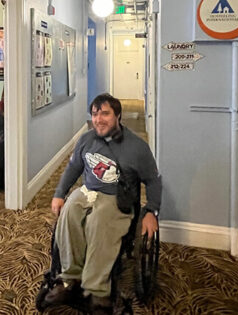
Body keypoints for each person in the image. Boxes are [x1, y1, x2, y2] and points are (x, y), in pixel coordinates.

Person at [45, 93, 162, 314]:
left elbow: (153, 180)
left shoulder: (137, 147)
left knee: (98, 222)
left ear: (118, 115)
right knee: (70, 211)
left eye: (105, 113)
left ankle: (97, 290)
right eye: (95, 114)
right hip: (88, 191)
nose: (99, 119)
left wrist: (151, 211)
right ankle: (70, 280)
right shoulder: (86, 139)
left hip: (116, 197)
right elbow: (73, 169)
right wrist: (59, 194)